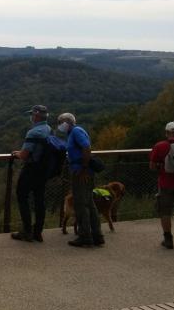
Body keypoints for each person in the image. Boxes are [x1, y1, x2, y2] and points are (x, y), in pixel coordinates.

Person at [58, 113, 104, 247]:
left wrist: (83, 168)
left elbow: (86, 147)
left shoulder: (76, 131)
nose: (60, 125)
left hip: (81, 173)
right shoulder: (75, 132)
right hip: (82, 171)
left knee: (80, 204)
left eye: (60, 122)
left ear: (67, 122)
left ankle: (85, 236)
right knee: (89, 203)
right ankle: (97, 235)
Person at [10, 105, 52, 242]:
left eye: (32, 114)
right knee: (39, 199)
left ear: (36, 116)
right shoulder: (48, 129)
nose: (31, 117)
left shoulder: (34, 132)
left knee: (22, 196)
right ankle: (37, 232)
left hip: (31, 169)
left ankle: (27, 231)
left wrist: (17, 153)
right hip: (44, 169)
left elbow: (24, 155)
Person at [149, 121, 174, 250]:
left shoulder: (160, 146)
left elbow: (152, 166)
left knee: (165, 212)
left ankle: (168, 239)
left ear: (167, 133)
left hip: (166, 184)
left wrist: (161, 167)